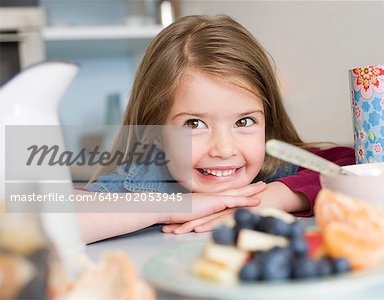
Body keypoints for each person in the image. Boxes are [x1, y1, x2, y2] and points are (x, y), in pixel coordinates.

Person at [79, 15, 354, 243]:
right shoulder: (142, 181)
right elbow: (52, 220)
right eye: (194, 123)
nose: (223, 149)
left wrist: (277, 197)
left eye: (244, 121)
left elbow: (360, 166)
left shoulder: (277, 168)